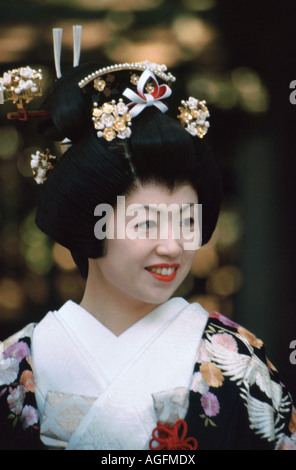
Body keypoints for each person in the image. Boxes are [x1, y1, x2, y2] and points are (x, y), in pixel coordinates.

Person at [0, 49, 295, 450]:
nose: (173, 246)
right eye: (146, 223)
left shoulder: (240, 362)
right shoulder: (13, 368)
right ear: (91, 224)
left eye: (186, 221)